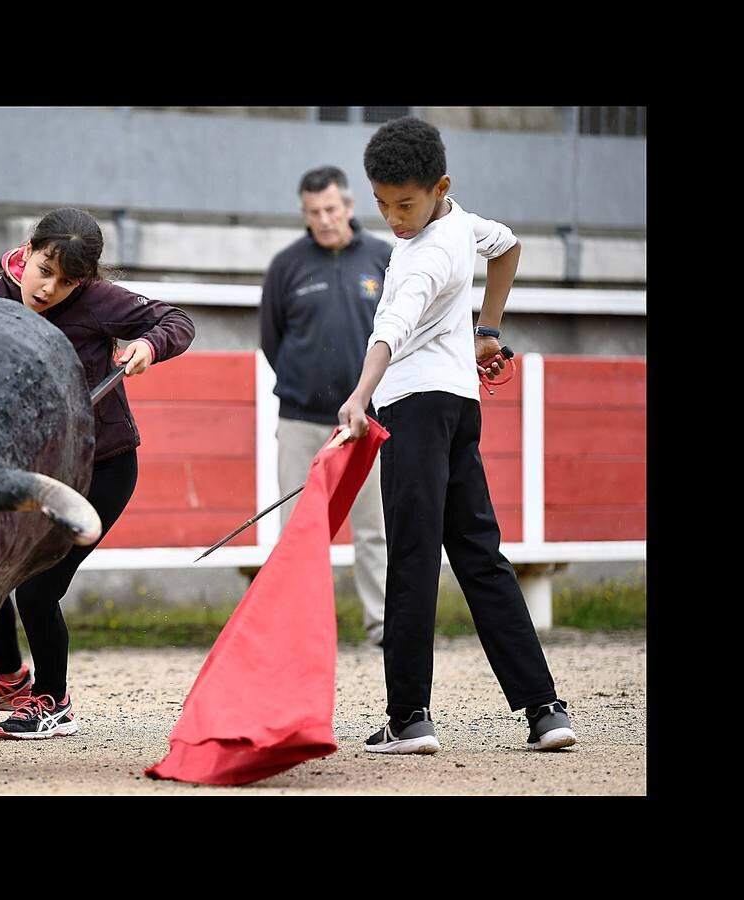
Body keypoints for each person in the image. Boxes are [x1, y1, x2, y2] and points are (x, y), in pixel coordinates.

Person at [337, 117, 577, 754]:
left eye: (405, 203)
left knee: (412, 558)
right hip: (458, 407)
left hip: (413, 410)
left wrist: (361, 395)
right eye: (383, 203)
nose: (394, 218)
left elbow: (391, 321)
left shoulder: (422, 254)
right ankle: (545, 709)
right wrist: (488, 330)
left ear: (440, 185)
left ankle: (409, 716)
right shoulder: (462, 224)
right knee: (479, 554)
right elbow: (509, 245)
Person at [0, 207, 196, 740]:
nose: (48, 289)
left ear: (85, 280)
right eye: (44, 270)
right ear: (27, 251)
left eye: (67, 281)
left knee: (38, 590)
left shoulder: (99, 303)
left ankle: (53, 698)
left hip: (100, 470)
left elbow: (177, 321)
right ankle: (7, 676)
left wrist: (146, 345)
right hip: (26, 467)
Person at [259, 165, 393, 647]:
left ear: (350, 207)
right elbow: (272, 340)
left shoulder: (384, 257)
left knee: (375, 529)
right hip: (300, 420)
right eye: (314, 212)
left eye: (331, 209)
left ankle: (382, 627)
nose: (324, 219)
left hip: (370, 421)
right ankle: (299, 630)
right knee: (298, 531)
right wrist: (307, 387)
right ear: (305, 214)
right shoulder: (287, 265)